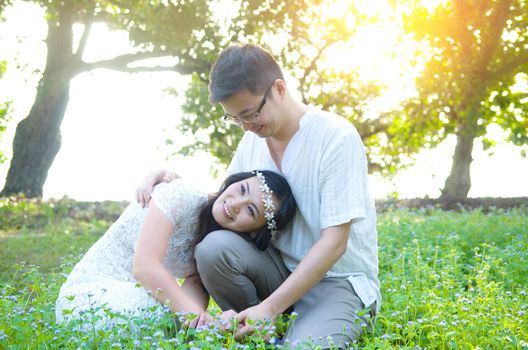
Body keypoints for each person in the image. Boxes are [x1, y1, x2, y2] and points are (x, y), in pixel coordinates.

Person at [139, 43, 380, 348]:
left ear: (279, 89)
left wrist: (270, 307)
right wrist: (174, 183)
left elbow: (335, 243)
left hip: (336, 282)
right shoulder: (252, 141)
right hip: (276, 271)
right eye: (235, 119)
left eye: (250, 113)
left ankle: (279, 324)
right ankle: (260, 330)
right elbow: (225, 203)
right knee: (214, 248)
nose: (246, 126)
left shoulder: (335, 137)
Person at [55, 170, 297, 330]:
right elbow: (145, 268)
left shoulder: (217, 245)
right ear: (235, 180)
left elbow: (191, 297)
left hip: (146, 292)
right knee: (144, 319)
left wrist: (207, 324)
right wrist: (204, 319)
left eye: (251, 211)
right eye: (242, 189)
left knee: (167, 326)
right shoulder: (180, 195)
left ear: (257, 231)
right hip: (95, 289)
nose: (234, 204)